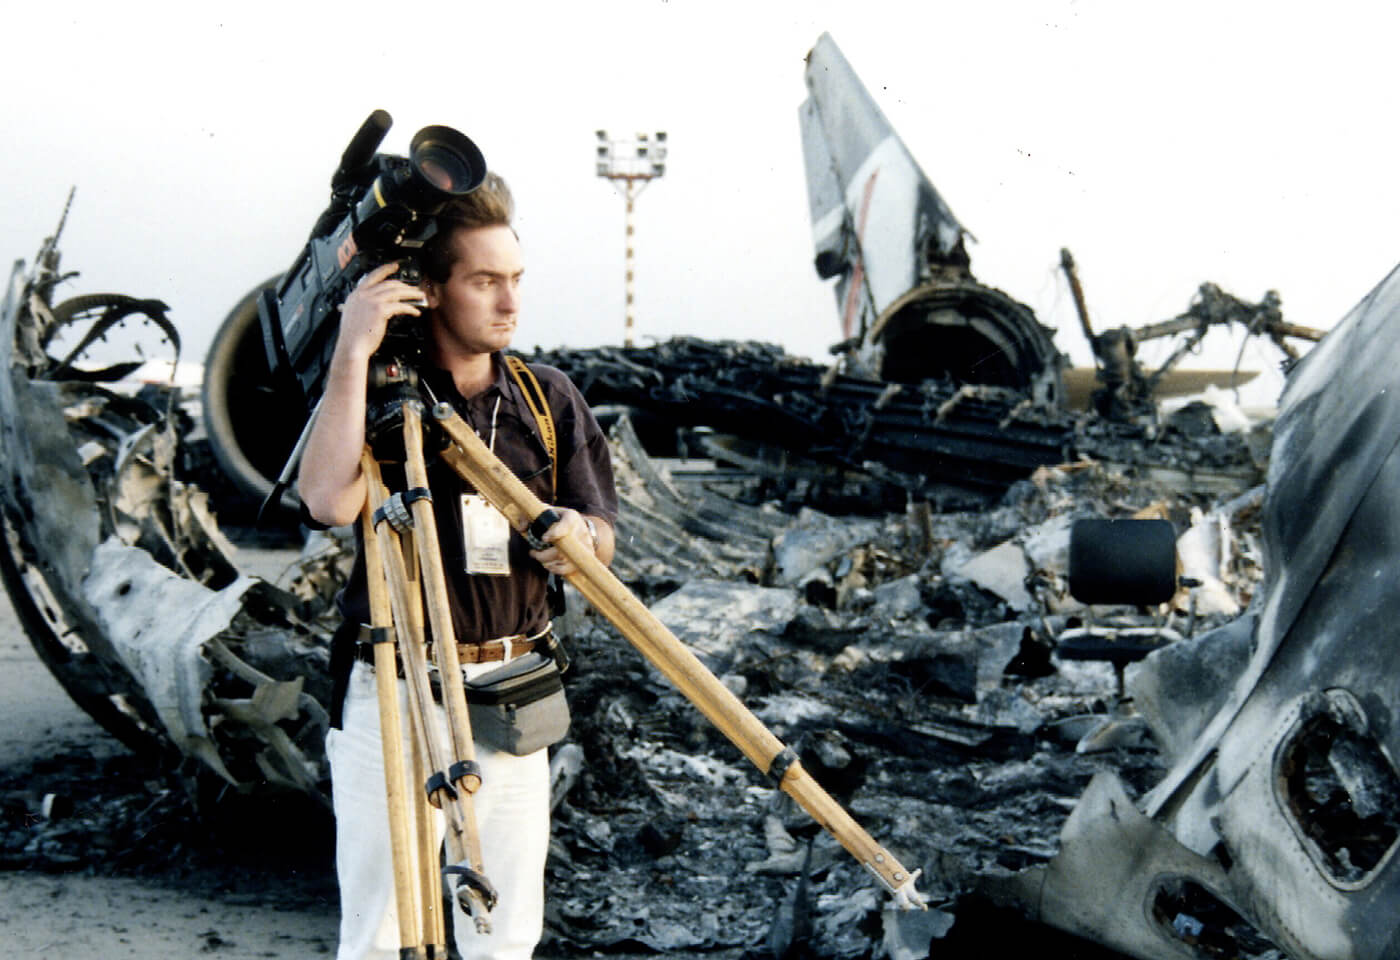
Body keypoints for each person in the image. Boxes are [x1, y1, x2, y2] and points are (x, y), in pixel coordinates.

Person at [298, 172, 618, 960]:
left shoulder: (546, 399)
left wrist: (578, 533)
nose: (510, 302)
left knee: (504, 937)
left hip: (511, 691)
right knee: (379, 935)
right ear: (432, 290)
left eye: (516, 279)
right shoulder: (381, 397)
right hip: (394, 686)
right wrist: (352, 347)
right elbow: (328, 501)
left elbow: (603, 533)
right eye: (485, 281)